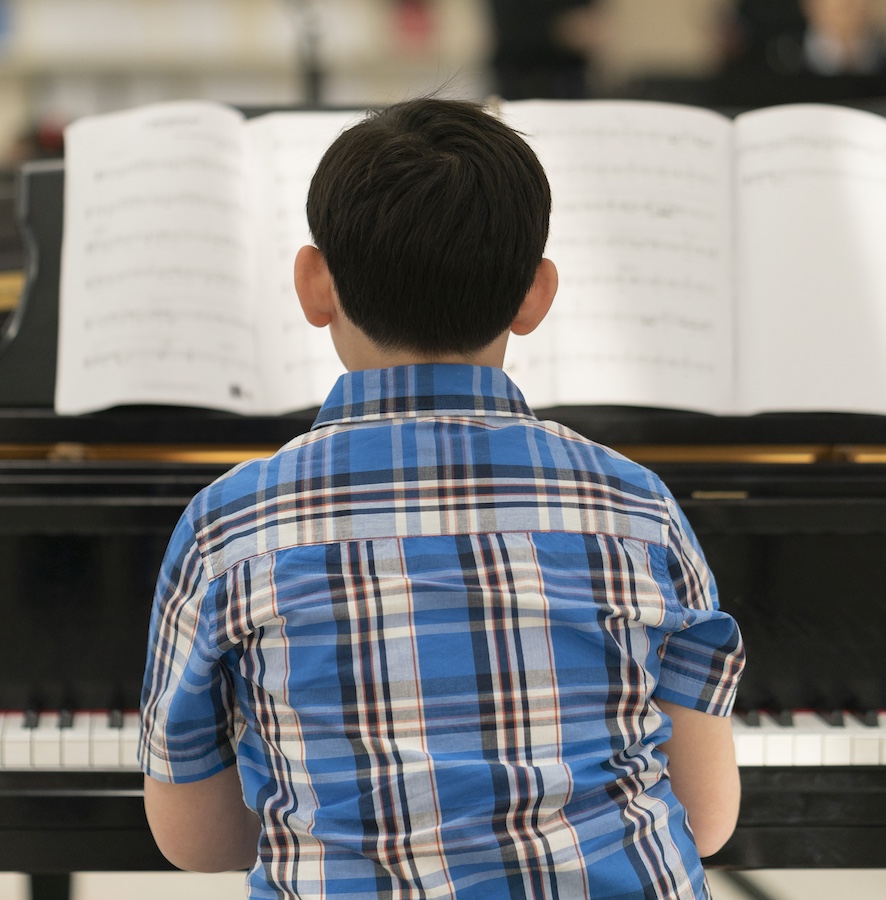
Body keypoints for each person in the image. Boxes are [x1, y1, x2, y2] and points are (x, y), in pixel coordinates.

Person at [138, 97, 745, 899]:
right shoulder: (637, 508)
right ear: (535, 295)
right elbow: (705, 819)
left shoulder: (231, 525)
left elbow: (192, 839)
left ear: (314, 285)